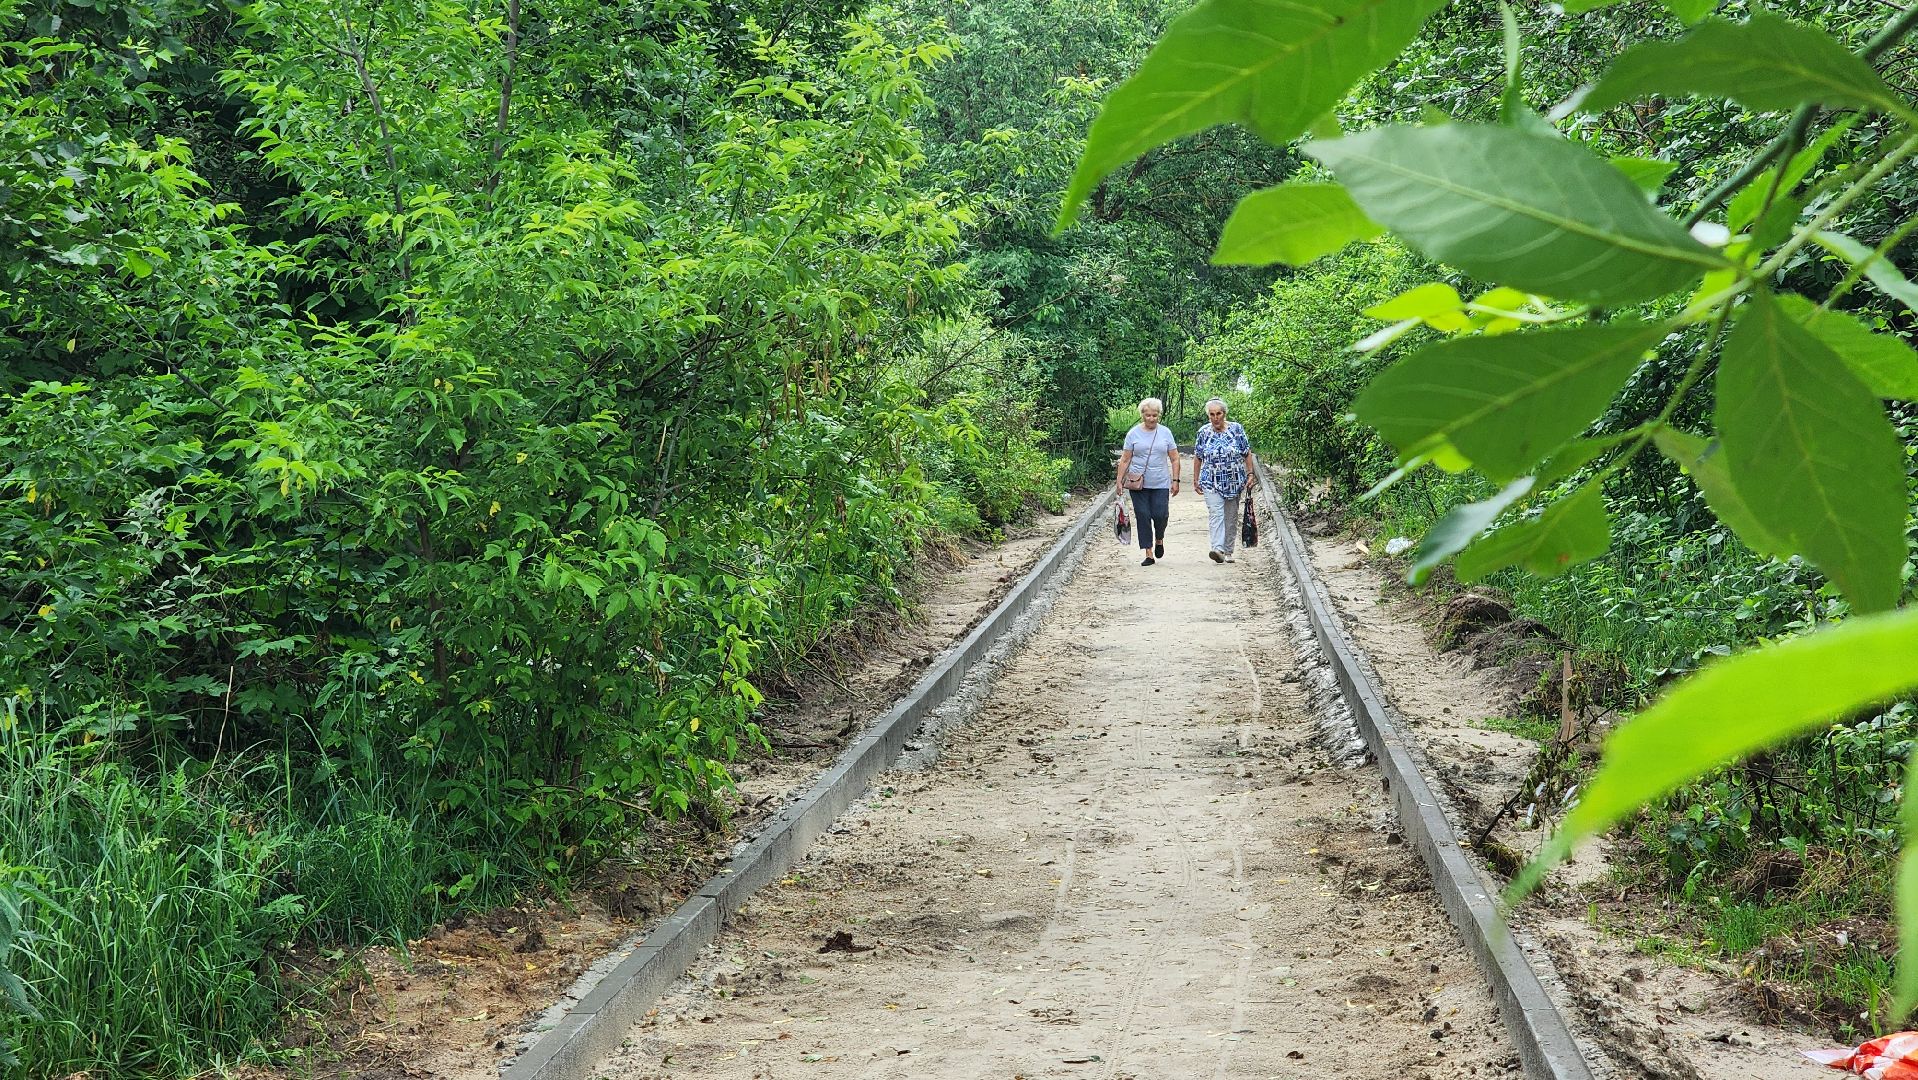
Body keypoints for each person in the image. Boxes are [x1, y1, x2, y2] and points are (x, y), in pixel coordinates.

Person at [1114, 397, 1180, 566]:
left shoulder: (1165, 433)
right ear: (1142, 414)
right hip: (1138, 483)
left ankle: (1159, 539)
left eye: (1155, 415)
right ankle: (1148, 552)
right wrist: (1119, 480)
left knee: (1160, 515)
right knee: (1142, 516)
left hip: (1160, 482)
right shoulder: (1133, 434)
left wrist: (1175, 480)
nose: (1151, 419)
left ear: (1159, 415)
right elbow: (1125, 459)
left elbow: (1174, 458)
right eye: (1148, 415)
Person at [1191, 398, 1253, 564]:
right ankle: (1217, 548)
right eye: (1212, 414)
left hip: (1234, 481)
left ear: (1224, 414)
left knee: (1231, 516)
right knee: (1216, 513)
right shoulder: (1203, 432)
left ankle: (1228, 550)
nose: (1215, 417)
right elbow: (1198, 456)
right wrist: (1195, 479)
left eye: (1218, 413)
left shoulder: (1236, 429)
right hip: (1211, 480)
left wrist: (1250, 474)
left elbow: (1247, 452)